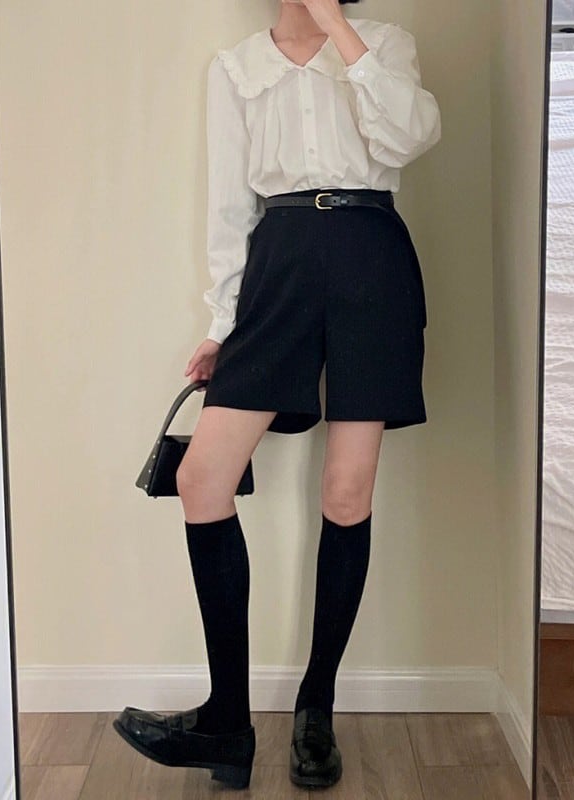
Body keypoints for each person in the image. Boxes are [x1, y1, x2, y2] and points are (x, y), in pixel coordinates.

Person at [112, 0, 441, 790]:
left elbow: (411, 136)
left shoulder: (384, 44)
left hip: (371, 257)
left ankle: (315, 706)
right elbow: (230, 208)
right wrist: (222, 324)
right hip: (279, 262)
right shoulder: (236, 68)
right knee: (203, 476)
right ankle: (227, 721)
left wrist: (338, 29)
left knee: (346, 491)